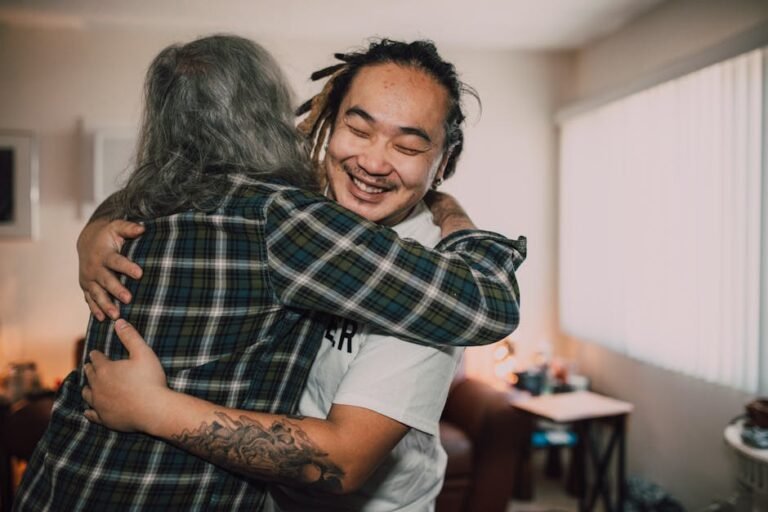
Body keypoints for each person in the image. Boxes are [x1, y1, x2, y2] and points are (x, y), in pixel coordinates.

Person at [15, 36, 524, 511]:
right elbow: (186, 178)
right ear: (325, 123)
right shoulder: (299, 204)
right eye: (358, 128)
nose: (373, 160)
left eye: (409, 147)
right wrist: (99, 224)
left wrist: (154, 408)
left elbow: (342, 460)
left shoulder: (436, 279)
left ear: (443, 160)